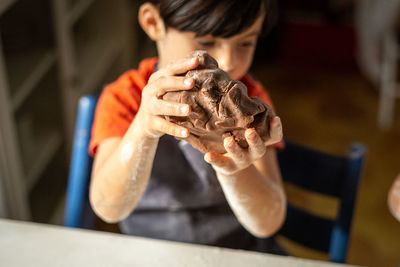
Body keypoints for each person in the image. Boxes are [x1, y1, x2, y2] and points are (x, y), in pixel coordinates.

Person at [88, 0, 286, 252]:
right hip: (150, 252)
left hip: (233, 252)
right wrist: (143, 130)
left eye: (245, 43)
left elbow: (269, 222)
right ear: (153, 23)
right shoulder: (126, 98)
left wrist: (234, 169)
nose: (227, 62)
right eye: (206, 42)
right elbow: (108, 208)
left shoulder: (250, 105)